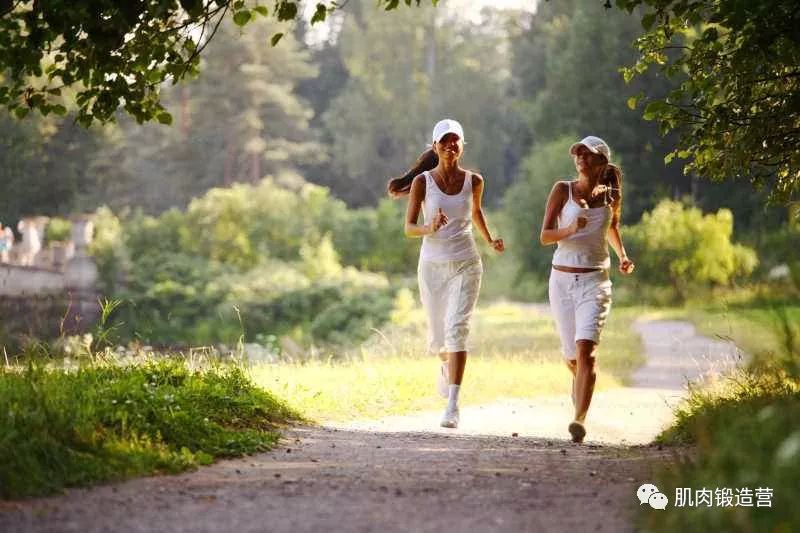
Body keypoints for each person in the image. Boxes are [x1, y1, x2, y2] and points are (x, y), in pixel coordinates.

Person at [388, 118, 504, 429]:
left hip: (466, 263)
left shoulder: (474, 181)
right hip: (432, 266)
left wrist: (490, 239)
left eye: (456, 141)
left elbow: (476, 212)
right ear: (436, 146)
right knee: (439, 339)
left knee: (458, 329)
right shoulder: (422, 183)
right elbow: (410, 227)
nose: (451, 145)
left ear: (462, 145)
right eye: (445, 141)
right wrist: (430, 227)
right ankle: (445, 367)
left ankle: (453, 404)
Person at [539, 135, 634, 443]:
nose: (581, 158)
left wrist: (623, 255)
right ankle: (581, 382)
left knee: (587, 353)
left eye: (588, 154)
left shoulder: (611, 196)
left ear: (601, 162)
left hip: (595, 281)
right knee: (572, 358)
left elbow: (612, 227)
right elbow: (545, 236)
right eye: (578, 153)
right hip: (562, 282)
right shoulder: (561, 190)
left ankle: (579, 419)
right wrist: (570, 229)